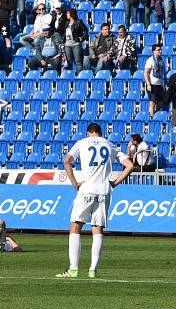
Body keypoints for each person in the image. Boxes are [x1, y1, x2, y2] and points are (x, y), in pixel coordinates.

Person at [57, 123, 133, 279]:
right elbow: (130, 165)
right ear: (100, 132)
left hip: (86, 189)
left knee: (75, 226)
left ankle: (73, 269)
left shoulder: (82, 143)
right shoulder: (109, 144)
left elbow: (67, 161)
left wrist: (74, 182)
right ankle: (93, 270)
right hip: (104, 191)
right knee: (97, 229)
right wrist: (114, 183)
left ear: (88, 133)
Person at [145, 44, 166, 117]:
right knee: (152, 103)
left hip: (159, 84)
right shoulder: (150, 60)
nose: (160, 51)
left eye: (160, 50)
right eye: (158, 50)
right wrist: (148, 84)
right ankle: (152, 117)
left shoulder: (161, 60)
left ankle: (155, 114)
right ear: (154, 51)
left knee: (161, 103)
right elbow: (146, 73)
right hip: (152, 84)